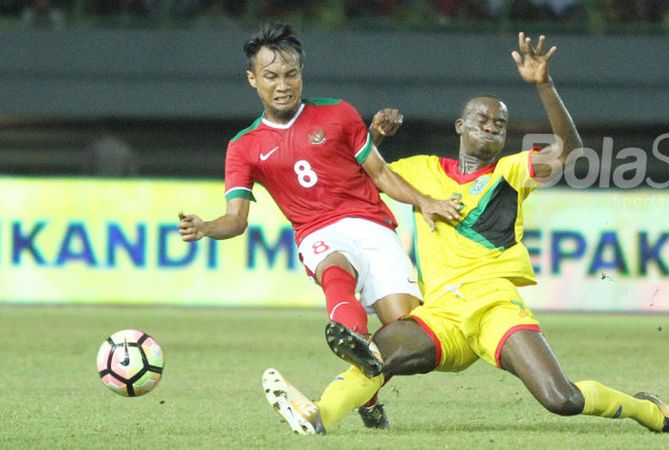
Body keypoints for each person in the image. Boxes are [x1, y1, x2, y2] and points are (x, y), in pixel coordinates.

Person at [260, 32, 669, 436]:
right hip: (442, 316)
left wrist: (543, 85)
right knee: (375, 354)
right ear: (460, 127)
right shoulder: (420, 171)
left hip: (495, 306)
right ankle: (317, 415)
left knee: (561, 399)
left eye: (499, 124)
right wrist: (373, 135)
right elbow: (356, 176)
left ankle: (647, 409)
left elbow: (569, 151)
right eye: (481, 119)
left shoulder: (510, 172)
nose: (490, 126)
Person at [178, 23, 461, 427]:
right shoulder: (244, 146)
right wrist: (206, 227)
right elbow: (237, 220)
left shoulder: (337, 112)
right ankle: (347, 339)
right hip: (317, 231)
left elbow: (379, 174)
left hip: (373, 224)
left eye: (290, 74)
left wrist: (425, 201)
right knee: (333, 264)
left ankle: (364, 391)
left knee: (407, 335)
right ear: (252, 79)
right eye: (271, 75)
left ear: (301, 73)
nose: (282, 84)